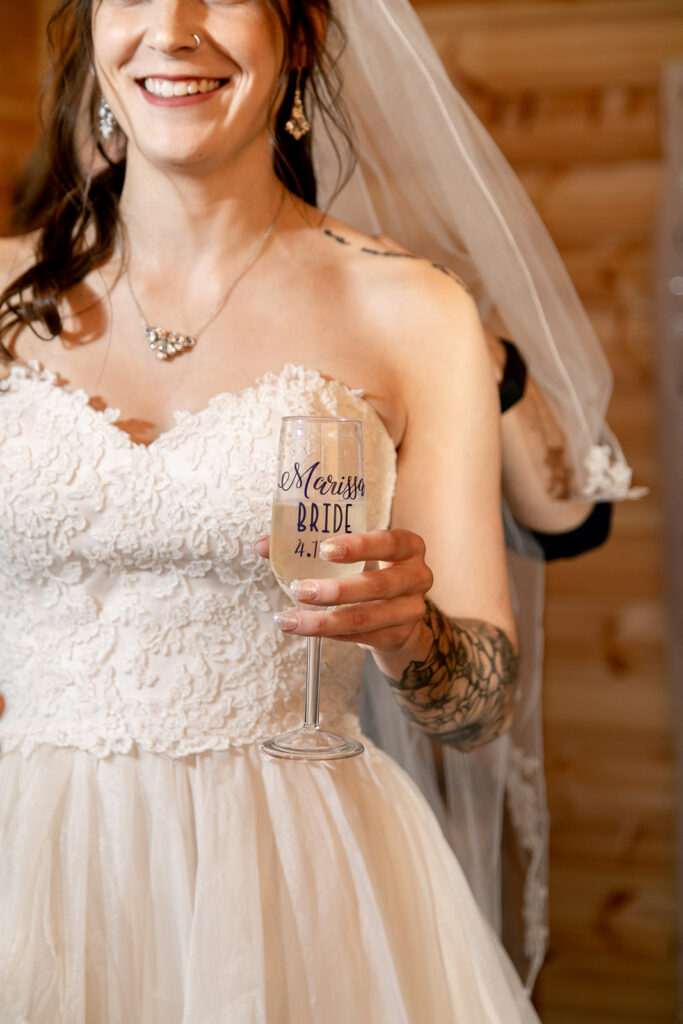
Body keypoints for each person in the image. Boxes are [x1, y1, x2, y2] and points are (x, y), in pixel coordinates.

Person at [0, 0, 639, 1019]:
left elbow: (478, 704)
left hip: (291, 876)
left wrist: (410, 633)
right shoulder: (5, 298)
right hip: (30, 858)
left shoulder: (412, 311)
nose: (172, 27)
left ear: (297, 37)